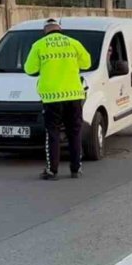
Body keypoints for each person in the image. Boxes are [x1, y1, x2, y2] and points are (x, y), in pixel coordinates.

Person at [23, 19, 91, 180]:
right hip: (74, 95)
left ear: (45, 31)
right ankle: (76, 169)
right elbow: (86, 63)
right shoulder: (73, 43)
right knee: (74, 132)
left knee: (52, 133)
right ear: (60, 30)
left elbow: (29, 69)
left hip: (52, 97)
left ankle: (52, 170)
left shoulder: (39, 45)